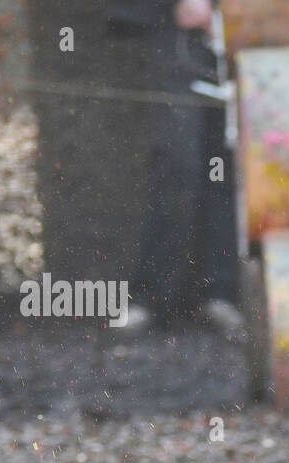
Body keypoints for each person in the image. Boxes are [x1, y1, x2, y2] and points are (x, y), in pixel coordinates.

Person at [105, 0, 245, 340]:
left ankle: (221, 295)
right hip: (176, 45)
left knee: (226, 172)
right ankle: (150, 298)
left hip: (239, 49)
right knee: (177, 167)